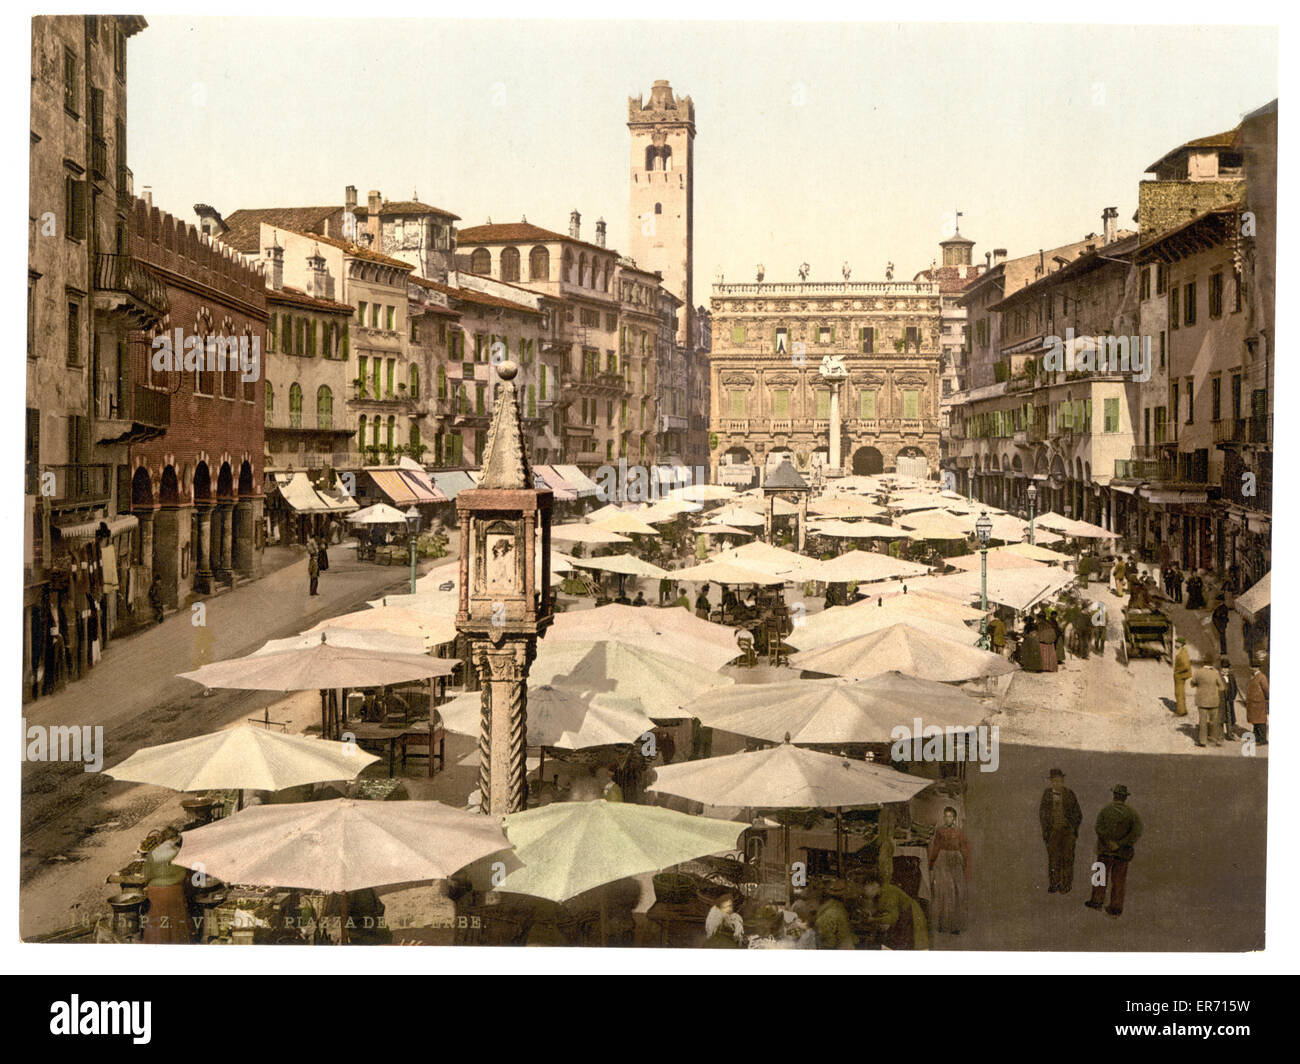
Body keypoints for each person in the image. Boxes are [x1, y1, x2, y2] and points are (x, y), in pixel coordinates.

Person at [1086, 785, 1142, 917]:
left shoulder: (1105, 810)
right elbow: (1136, 833)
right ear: (1125, 798)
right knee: (1119, 881)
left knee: (1100, 877)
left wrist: (1109, 842)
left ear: (1114, 796)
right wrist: (1120, 844)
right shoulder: (1132, 814)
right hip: (1122, 853)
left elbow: (1099, 828)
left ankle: (1096, 901)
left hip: (1104, 851)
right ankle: (1116, 907)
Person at [927, 806, 972, 934]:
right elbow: (936, 847)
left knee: (956, 891)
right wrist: (932, 863)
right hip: (942, 860)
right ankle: (942, 924)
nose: (948, 819)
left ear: (955, 818)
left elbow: (964, 848)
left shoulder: (959, 832)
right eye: (946, 816)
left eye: (950, 816)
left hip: (955, 860)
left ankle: (955, 926)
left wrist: (964, 863)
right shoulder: (940, 831)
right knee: (944, 891)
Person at [1039, 768, 1083, 893]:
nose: (1057, 783)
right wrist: (1047, 831)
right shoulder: (1047, 794)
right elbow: (1042, 814)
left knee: (1067, 859)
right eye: (1054, 781)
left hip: (1068, 833)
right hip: (1053, 832)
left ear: (1063, 781)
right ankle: (1054, 884)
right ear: (1051, 782)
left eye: (1059, 781)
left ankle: (1065, 885)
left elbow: (1078, 814)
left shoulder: (1070, 794)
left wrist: (1072, 829)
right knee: (1053, 859)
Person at [863, 876, 929, 950]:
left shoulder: (888, 891)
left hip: (910, 914)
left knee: (907, 943)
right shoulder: (879, 894)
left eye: (866, 888)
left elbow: (893, 917)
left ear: (875, 885)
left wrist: (873, 919)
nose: (864, 890)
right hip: (902, 916)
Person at [1190, 652, 1225, 747]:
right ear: (1212, 663)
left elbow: (1192, 684)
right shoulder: (1215, 673)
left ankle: (1203, 741)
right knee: (1214, 721)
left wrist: (1199, 685)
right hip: (1213, 700)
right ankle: (1214, 739)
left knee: (1202, 721)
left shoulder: (1198, 672)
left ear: (1203, 662)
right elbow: (1222, 687)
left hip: (1202, 700)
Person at [1246, 659, 1269, 745]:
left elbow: (1266, 689)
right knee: (1255, 721)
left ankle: (1262, 739)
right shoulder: (1253, 676)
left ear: (1258, 668)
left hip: (1259, 702)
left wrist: (1267, 698)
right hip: (1254, 703)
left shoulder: (1261, 677)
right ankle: (1256, 737)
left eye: (1255, 667)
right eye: (1253, 667)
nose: (1254, 668)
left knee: (1261, 722)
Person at [1219, 656, 1239, 742]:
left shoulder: (1231, 676)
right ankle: (1220, 735)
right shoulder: (1218, 676)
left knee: (1229, 718)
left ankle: (1230, 734)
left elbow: (1235, 688)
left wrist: (1232, 697)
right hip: (1221, 701)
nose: (1225, 670)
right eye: (1224, 668)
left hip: (1229, 700)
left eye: (1227, 668)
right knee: (1221, 718)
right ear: (1221, 668)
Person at [1172, 637, 1191, 717]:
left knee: (1179, 693)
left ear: (1180, 644)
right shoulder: (1182, 651)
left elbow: (1186, 666)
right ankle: (1183, 710)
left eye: (1177, 642)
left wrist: (1177, 671)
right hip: (1180, 676)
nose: (1175, 644)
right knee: (1181, 693)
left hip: (1180, 676)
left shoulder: (1183, 653)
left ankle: (1181, 712)